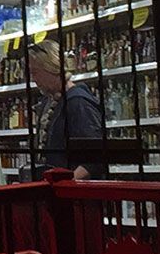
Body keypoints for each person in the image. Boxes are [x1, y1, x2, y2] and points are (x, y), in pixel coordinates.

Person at [26, 39, 106, 179]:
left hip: (75, 195)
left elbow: (95, 158)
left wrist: (66, 182)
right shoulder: (50, 101)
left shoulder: (77, 102)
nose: (33, 79)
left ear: (50, 68)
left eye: (35, 72)